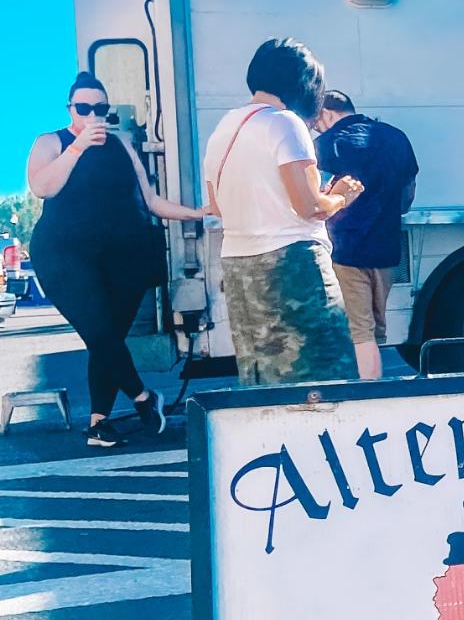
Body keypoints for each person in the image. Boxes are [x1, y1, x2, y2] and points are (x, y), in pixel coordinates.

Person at [26, 73, 206, 447]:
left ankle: (98, 421)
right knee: (98, 330)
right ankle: (143, 398)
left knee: (106, 337)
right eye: (84, 108)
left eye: (101, 108)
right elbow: (43, 186)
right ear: (70, 109)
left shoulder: (122, 144)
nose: (93, 116)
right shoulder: (52, 142)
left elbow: (151, 201)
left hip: (125, 255)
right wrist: (77, 147)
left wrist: (195, 213)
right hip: (65, 255)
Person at [202, 38, 364, 386]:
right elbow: (309, 206)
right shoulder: (284, 123)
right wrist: (340, 195)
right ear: (305, 84)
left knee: (263, 379)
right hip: (293, 266)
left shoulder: (223, 128)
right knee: (323, 375)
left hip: (238, 267)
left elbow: (216, 205)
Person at [311, 91, 419, 381]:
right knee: (376, 330)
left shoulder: (325, 145)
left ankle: (368, 394)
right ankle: (372, 382)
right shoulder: (396, 137)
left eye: (314, 120)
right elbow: (408, 192)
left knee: (359, 332)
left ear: (326, 113)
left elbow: (316, 199)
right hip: (386, 250)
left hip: (344, 251)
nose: (314, 126)